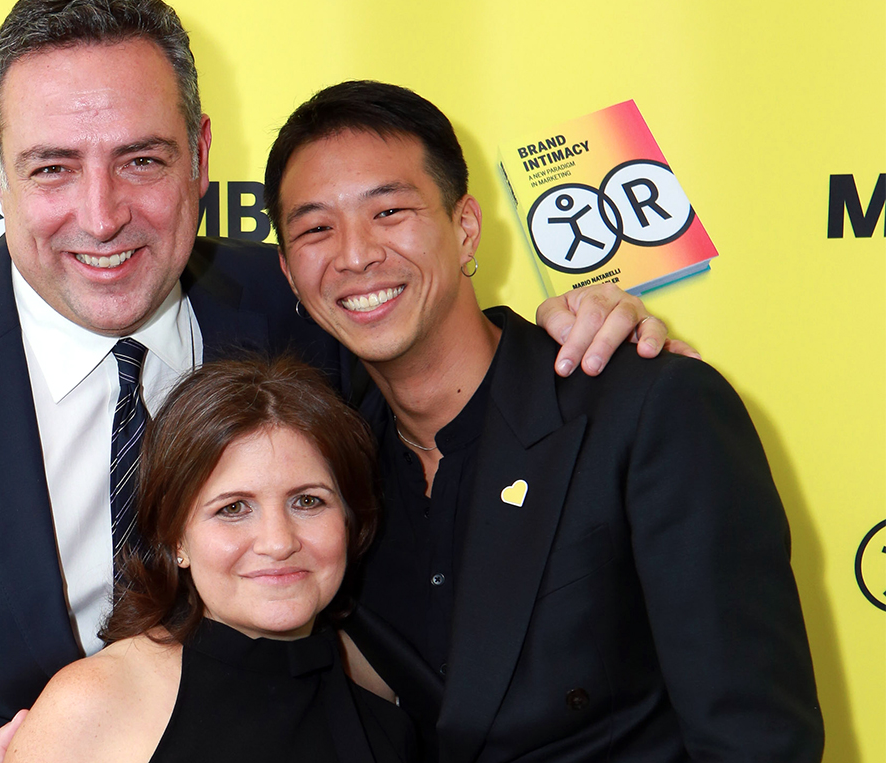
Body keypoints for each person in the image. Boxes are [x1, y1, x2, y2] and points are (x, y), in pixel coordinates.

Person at [0, 3, 682, 761]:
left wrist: (572, 337)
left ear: (200, 156)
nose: (102, 215)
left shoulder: (295, 302)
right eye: (53, 167)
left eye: (141, 160)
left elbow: (435, 364)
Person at [262, 80, 823, 761]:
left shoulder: (648, 410)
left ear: (464, 228)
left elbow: (754, 740)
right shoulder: (328, 468)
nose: (355, 254)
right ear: (292, 274)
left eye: (390, 211)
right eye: (316, 228)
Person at [6, 355, 416, 763]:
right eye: (233, 508)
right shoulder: (91, 707)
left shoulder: (386, 722)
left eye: (308, 501)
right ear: (175, 536)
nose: (277, 542)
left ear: (349, 519)